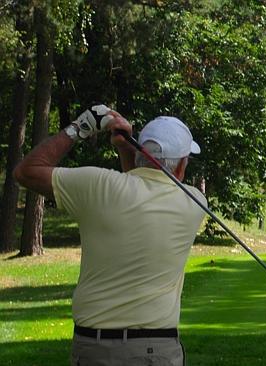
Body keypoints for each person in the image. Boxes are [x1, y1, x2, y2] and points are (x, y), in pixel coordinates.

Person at [14, 105, 206, 366]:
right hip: (157, 351)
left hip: (94, 348)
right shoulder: (194, 202)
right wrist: (128, 149)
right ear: (182, 166)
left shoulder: (97, 186)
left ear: (141, 152)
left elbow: (26, 171)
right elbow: (140, 190)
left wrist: (80, 128)